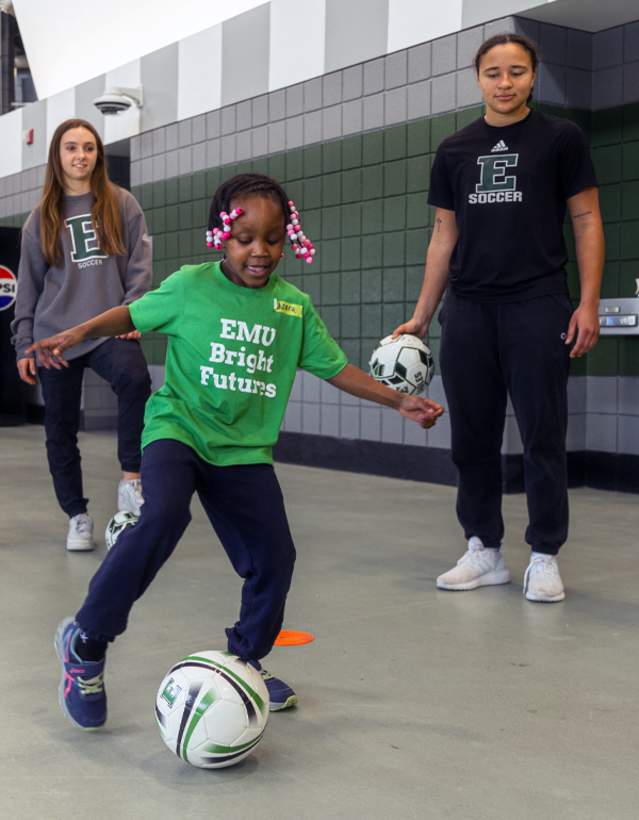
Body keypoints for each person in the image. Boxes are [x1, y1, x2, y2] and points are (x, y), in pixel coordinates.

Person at [28, 173, 444, 728]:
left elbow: (337, 368)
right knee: (164, 515)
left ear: (287, 240)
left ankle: (245, 661)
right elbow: (131, 314)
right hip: (178, 428)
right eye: (245, 237)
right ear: (221, 236)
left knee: (275, 558)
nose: (260, 251)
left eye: (272, 239)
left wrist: (399, 402)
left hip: (244, 451)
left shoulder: (292, 309)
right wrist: (73, 334)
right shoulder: (190, 285)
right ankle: (87, 643)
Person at [394, 33, 604, 603]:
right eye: (493, 72)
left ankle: (544, 555)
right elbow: (444, 234)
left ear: (533, 76)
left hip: (538, 305)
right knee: (474, 437)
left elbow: (586, 219)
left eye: (515, 71)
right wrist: (421, 315)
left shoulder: (561, 138)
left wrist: (587, 302)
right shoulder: (456, 148)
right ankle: (483, 549)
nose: (504, 82)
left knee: (542, 435)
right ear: (478, 77)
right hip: (469, 310)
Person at [12, 118, 152, 552]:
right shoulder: (40, 219)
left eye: (89, 148)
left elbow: (139, 268)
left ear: (98, 155)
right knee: (59, 427)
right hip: (56, 338)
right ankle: (77, 515)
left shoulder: (121, 203)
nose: (80, 156)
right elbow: (29, 285)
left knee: (136, 380)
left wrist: (132, 315)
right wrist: (24, 342)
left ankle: (132, 481)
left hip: (109, 328)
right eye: (71, 148)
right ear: (57, 156)